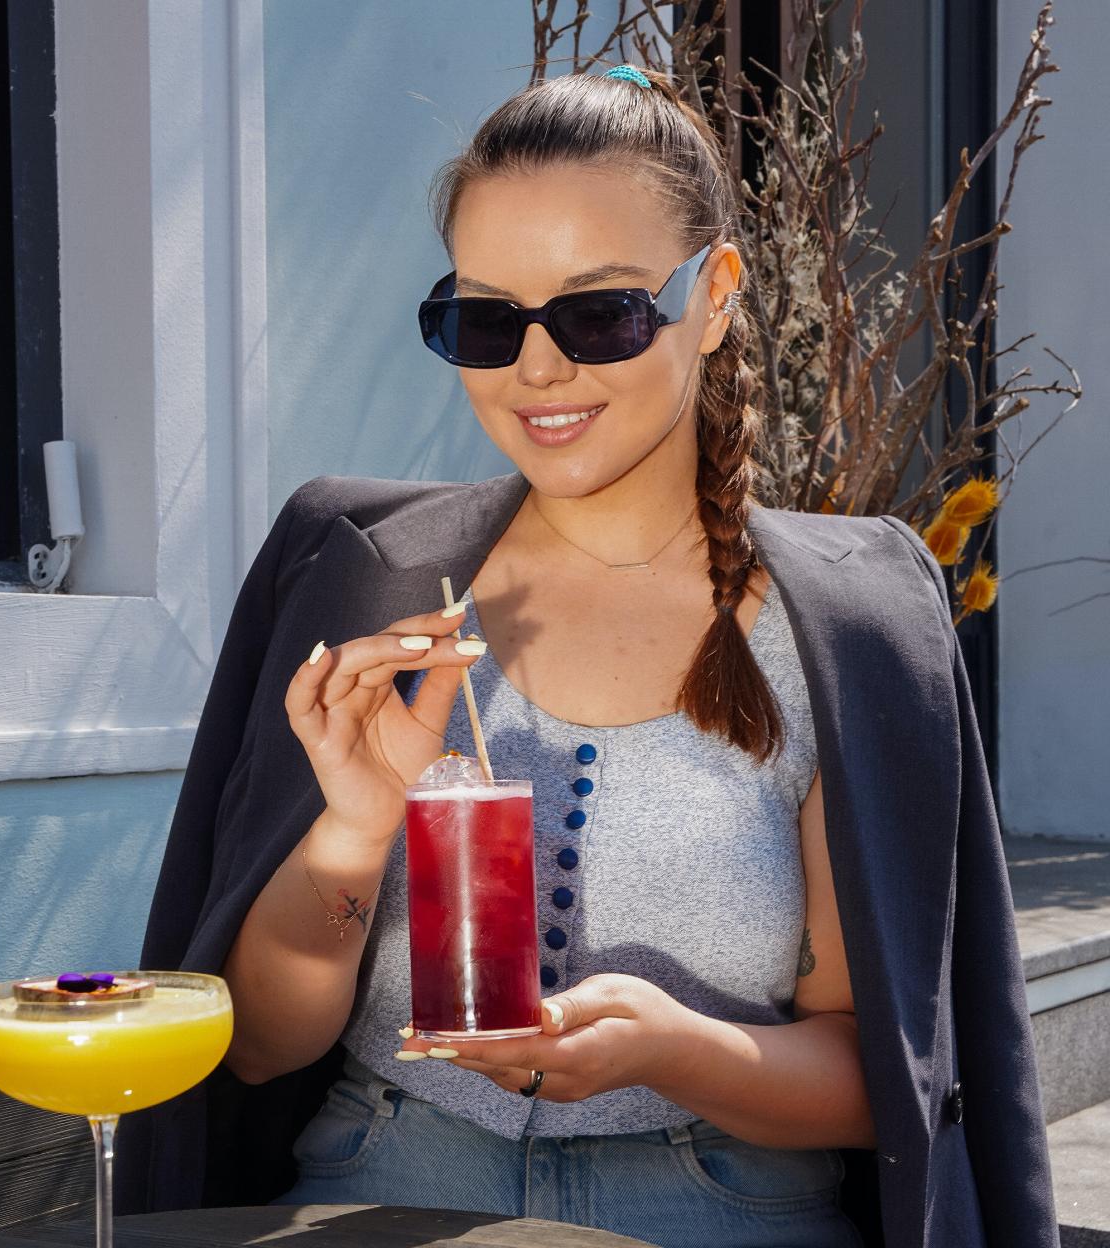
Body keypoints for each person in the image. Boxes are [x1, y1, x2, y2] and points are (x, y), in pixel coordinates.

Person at [117, 66, 1059, 1248]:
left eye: (601, 312)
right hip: (376, 1186)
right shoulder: (360, 573)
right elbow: (259, 1045)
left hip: (725, 1209)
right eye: (485, 320)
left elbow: (889, 1074)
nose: (537, 369)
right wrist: (353, 829)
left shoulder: (843, 621)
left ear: (714, 296)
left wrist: (677, 1050)